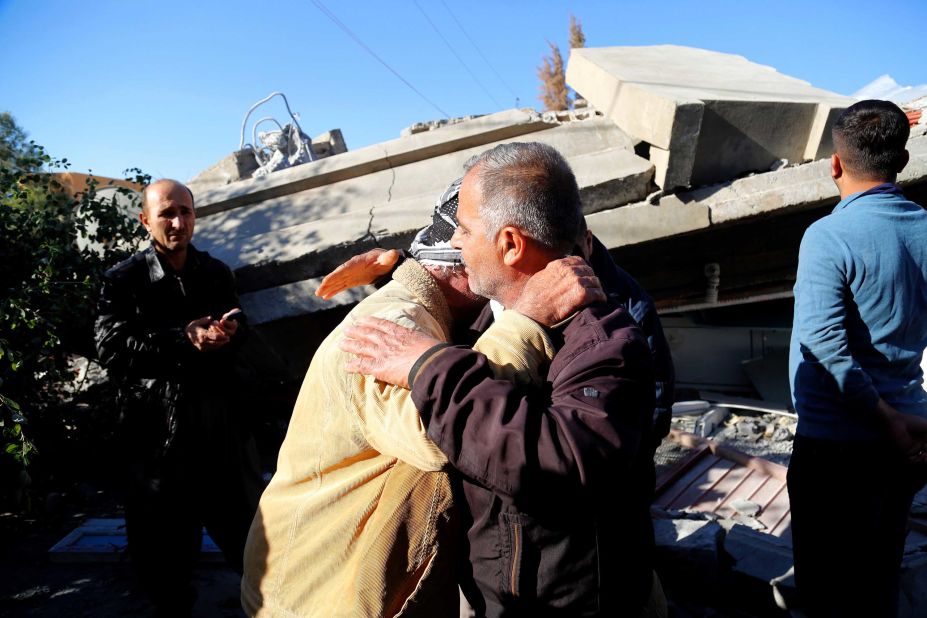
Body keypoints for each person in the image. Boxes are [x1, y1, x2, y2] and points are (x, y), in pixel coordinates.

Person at [241, 179, 599, 617]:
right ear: (466, 265)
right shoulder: (396, 323)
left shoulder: (422, 307)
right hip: (317, 593)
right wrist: (525, 322)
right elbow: (441, 432)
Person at [341, 142, 662, 617]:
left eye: (465, 231)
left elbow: (556, 457)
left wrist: (427, 366)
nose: (454, 244)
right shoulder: (485, 323)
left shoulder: (606, 342)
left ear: (510, 244)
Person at [94, 179, 263, 616]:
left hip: (221, 432)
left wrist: (230, 332)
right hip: (159, 441)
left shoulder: (215, 272)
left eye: (185, 212)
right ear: (145, 220)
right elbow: (111, 347)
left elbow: (238, 323)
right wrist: (181, 338)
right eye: (167, 213)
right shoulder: (123, 280)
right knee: (165, 565)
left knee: (253, 547)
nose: (178, 222)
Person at [787, 100, 927, 617]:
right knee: (877, 584)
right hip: (906, 442)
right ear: (903, 162)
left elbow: (823, 344)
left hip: (838, 449)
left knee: (829, 596)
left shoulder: (828, 235)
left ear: (836, 163)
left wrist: (886, 420)